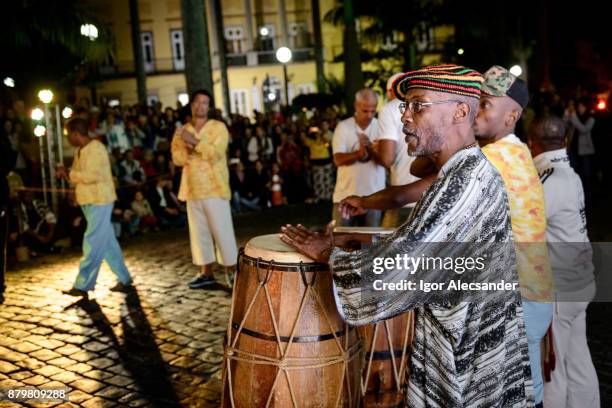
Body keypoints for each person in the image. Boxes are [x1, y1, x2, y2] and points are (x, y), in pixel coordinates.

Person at [281, 64, 534, 407]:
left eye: (419, 105)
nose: (405, 119)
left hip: (467, 362)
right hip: (466, 354)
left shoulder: (465, 180)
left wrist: (330, 255)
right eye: (406, 107)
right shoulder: (460, 170)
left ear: (461, 111)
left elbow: (405, 264)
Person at [474, 66, 553, 408]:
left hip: (519, 295)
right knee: (525, 385)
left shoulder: (495, 157)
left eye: (486, 105)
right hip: (529, 291)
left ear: (512, 116)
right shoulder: (515, 150)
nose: (475, 112)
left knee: (514, 393)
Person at [528, 115, 600, 408]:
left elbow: (527, 232)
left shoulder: (546, 180)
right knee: (578, 360)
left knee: (552, 370)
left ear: (532, 144)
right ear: (565, 141)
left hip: (560, 289)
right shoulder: (569, 173)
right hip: (582, 283)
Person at [57, 117, 133, 297]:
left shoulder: (97, 148)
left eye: (69, 135)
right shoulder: (80, 150)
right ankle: (124, 278)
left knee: (92, 241)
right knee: (106, 243)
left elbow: (92, 175)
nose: (68, 139)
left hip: (100, 199)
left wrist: (70, 174)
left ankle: (83, 284)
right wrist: (67, 175)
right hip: (88, 200)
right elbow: (78, 177)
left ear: (76, 134)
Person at [171, 89, 237, 289]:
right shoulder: (182, 130)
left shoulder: (218, 127)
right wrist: (188, 148)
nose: (201, 106)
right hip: (192, 189)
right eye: (197, 102)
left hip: (215, 187)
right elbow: (177, 158)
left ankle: (231, 271)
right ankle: (205, 272)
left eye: (205, 103)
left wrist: (194, 143)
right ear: (191, 104)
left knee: (222, 231)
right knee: (199, 233)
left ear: (209, 106)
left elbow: (216, 153)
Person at [371, 73, 419, 227]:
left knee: (389, 248)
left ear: (389, 91)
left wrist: (374, 150)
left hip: (402, 196)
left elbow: (387, 158)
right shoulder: (428, 105)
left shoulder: (388, 109)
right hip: (431, 194)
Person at [332, 89, 384, 226]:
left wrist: (371, 150)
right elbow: (338, 160)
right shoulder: (343, 127)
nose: (369, 115)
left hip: (374, 196)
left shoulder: (381, 126)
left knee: (370, 244)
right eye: (365, 110)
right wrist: (358, 153)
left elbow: (387, 161)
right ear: (356, 106)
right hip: (345, 195)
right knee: (340, 242)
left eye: (373, 111)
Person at [301, 127, 334, 203]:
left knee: (327, 180)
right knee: (318, 181)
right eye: (315, 132)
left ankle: (328, 196)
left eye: (317, 131)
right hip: (316, 164)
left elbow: (328, 145)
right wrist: (310, 133)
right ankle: (320, 197)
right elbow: (304, 141)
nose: (316, 133)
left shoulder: (324, 138)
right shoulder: (310, 141)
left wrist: (321, 136)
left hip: (326, 162)